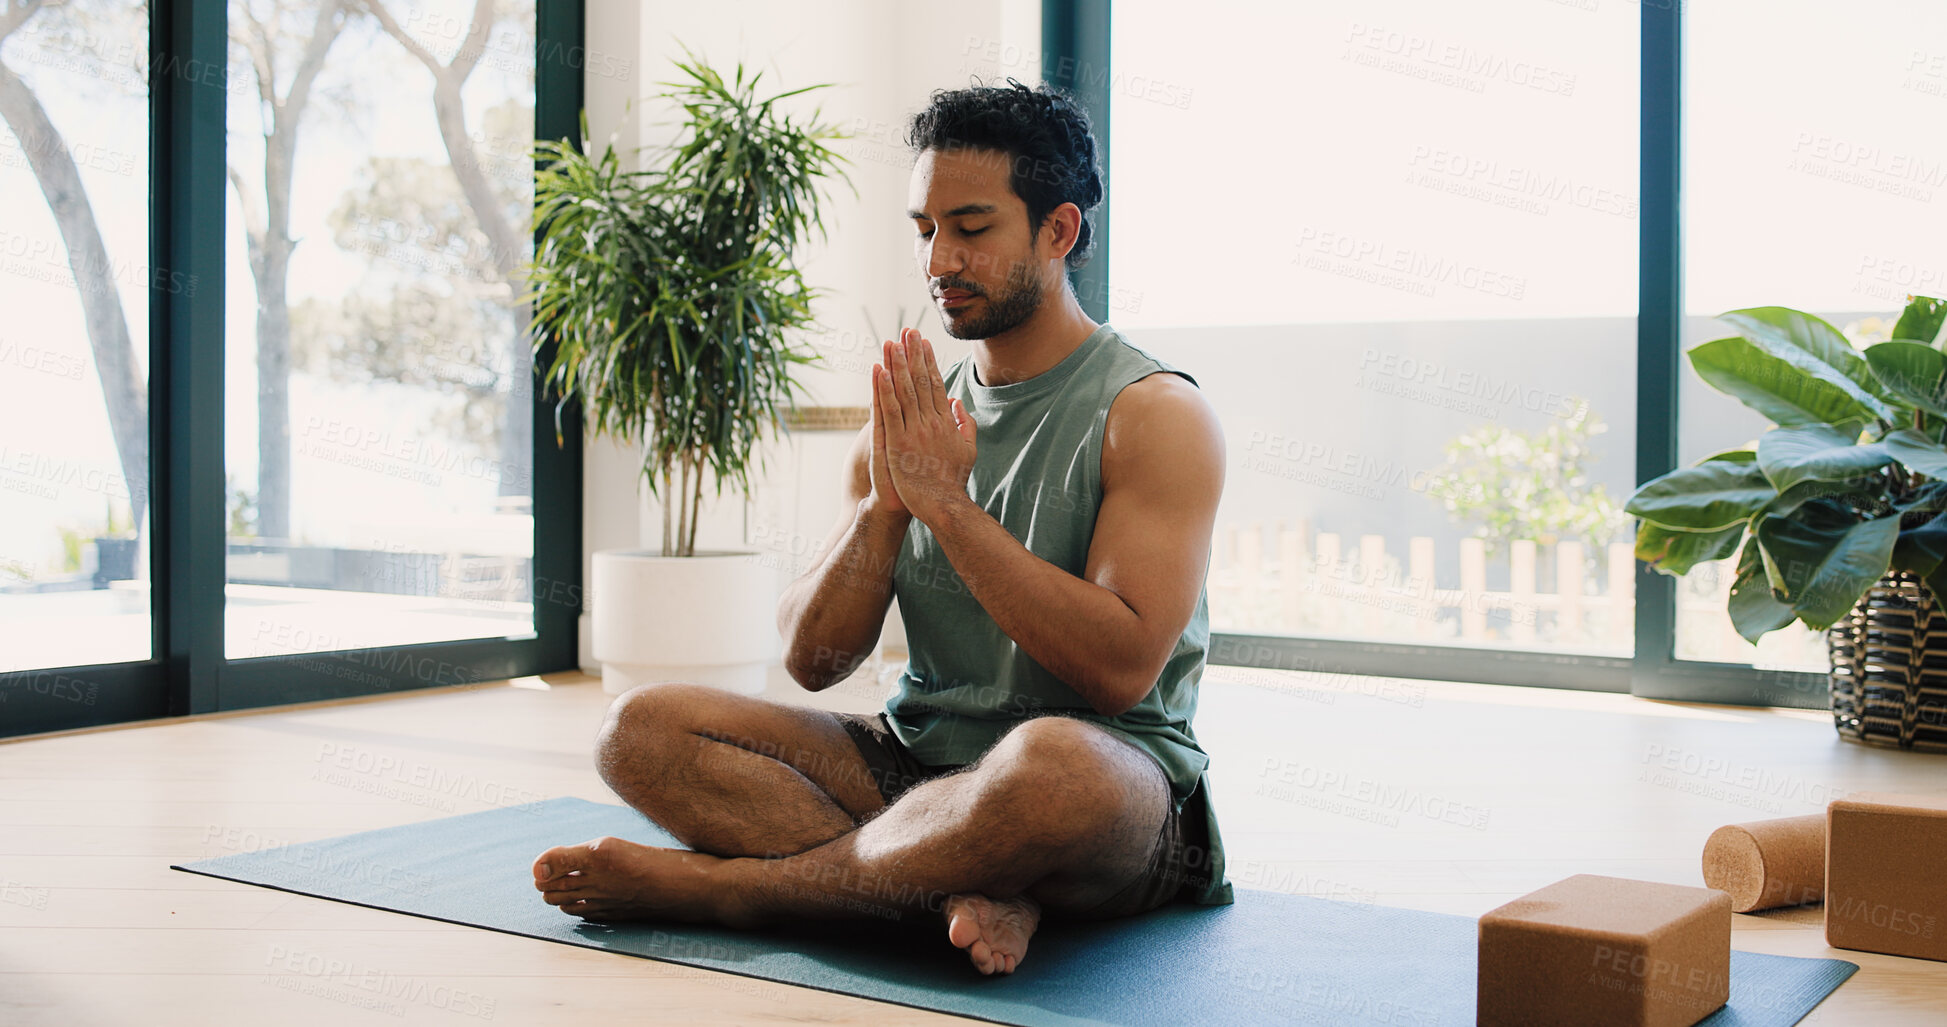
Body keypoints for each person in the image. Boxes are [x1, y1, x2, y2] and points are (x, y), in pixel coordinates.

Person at [533, 78, 1231, 977]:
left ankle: (734, 890)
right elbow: (813, 662)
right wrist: (885, 505)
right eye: (923, 229)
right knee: (638, 729)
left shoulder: (1156, 413)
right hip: (916, 765)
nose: (939, 258)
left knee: (1052, 767)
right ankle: (958, 890)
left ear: (1056, 231)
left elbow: (1117, 670)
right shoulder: (911, 418)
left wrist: (946, 504)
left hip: (1110, 787)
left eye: (971, 229)